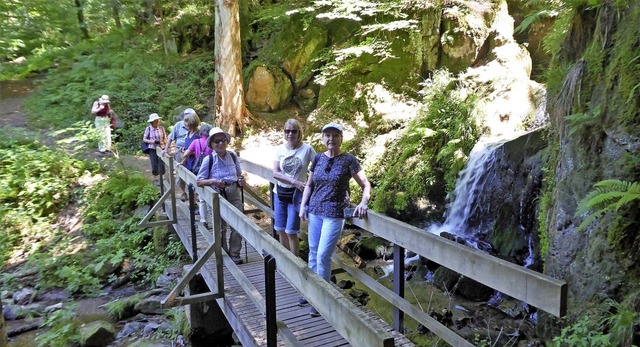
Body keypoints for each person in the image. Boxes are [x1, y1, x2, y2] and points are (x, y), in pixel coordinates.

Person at [299, 122, 371, 317]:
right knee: (313, 254)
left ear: (341, 138)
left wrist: (363, 203)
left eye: (335, 135)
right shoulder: (317, 159)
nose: (331, 139)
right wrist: (302, 206)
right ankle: (313, 291)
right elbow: (309, 184)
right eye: (327, 135)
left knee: (323, 255)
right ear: (322, 138)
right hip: (314, 211)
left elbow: (365, 185)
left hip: (335, 214)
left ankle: (322, 298)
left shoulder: (349, 160)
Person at [196, 127, 245, 265]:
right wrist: (213, 182)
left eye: (222, 140)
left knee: (238, 223)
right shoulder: (208, 160)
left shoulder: (233, 156)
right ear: (211, 144)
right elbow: (199, 181)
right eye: (216, 141)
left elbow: (238, 174)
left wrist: (241, 181)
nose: (220, 144)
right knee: (220, 226)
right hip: (217, 195)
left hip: (233, 192)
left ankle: (235, 253)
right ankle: (223, 252)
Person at [272, 119, 316, 256]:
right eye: (287, 131)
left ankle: (294, 262)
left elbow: (318, 167)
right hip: (279, 192)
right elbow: (275, 173)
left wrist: (309, 182)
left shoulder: (307, 149)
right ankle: (285, 260)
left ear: (299, 132)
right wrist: (295, 182)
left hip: (297, 195)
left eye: (293, 131)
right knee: (280, 229)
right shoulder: (279, 150)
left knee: (291, 231)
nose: (290, 134)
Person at [163, 108, 200, 201]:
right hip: (180, 152)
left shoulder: (197, 131)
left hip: (192, 155)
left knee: (193, 173)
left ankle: (194, 197)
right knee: (181, 173)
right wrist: (165, 149)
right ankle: (184, 192)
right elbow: (170, 138)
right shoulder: (179, 125)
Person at [181, 124, 213, 223]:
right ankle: (214, 220)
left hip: (200, 170)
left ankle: (204, 221)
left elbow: (186, 153)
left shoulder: (196, 141)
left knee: (202, 196)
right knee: (212, 196)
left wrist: (181, 163)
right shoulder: (212, 143)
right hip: (211, 171)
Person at [142, 113, 167, 181]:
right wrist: (153, 141)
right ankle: (155, 178)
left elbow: (165, 137)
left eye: (158, 120)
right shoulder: (148, 129)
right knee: (154, 163)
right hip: (152, 148)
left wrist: (164, 143)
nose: (158, 121)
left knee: (162, 162)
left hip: (161, 147)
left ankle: (163, 176)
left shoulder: (161, 128)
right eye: (156, 120)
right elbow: (144, 139)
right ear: (152, 121)